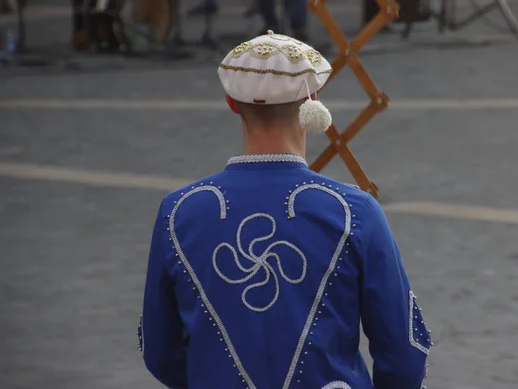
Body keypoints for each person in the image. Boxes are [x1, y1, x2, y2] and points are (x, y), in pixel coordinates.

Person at [137, 30, 432, 389]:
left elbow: (159, 350)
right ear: (314, 98)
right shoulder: (354, 211)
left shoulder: (179, 212)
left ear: (231, 102)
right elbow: (403, 351)